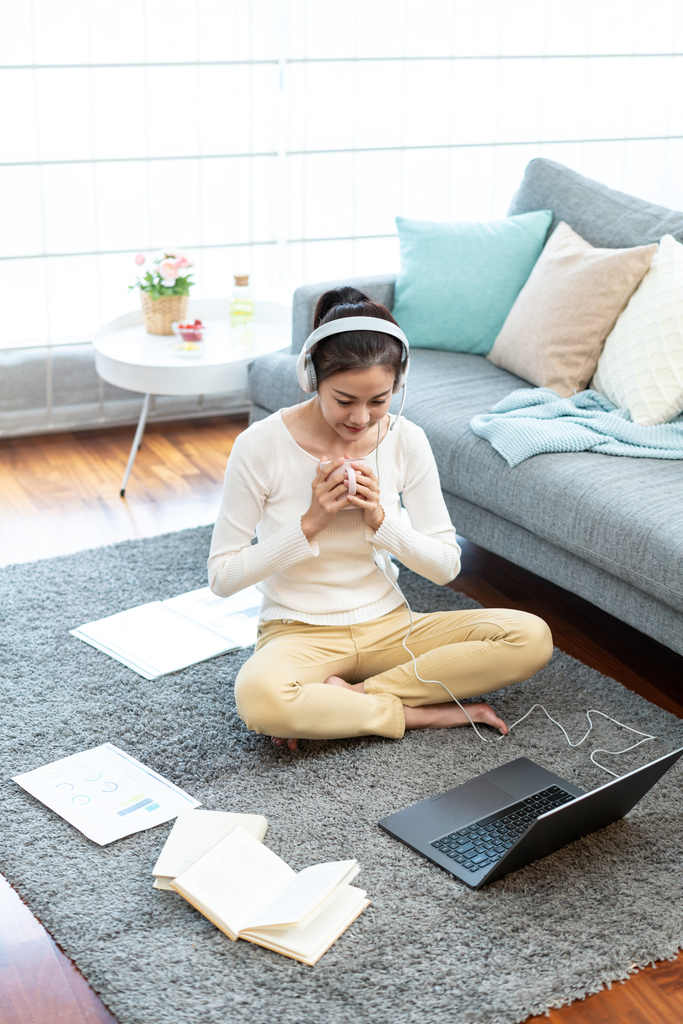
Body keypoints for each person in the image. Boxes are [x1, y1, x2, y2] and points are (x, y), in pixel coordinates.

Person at [209, 287, 553, 750]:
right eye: (344, 399)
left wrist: (381, 521)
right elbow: (222, 577)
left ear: (399, 385)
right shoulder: (261, 445)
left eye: (379, 400)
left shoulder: (407, 439)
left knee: (531, 637)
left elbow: (446, 565)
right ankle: (418, 715)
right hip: (297, 632)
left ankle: (349, 699)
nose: (361, 418)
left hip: (390, 625)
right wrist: (309, 523)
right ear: (312, 377)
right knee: (260, 698)